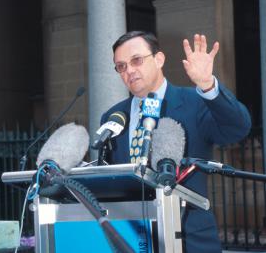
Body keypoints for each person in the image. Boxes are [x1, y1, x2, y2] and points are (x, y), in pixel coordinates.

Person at [100, 31, 251, 253]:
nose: (129, 70)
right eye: (121, 66)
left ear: (159, 59)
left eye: (136, 60)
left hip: (189, 238)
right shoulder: (113, 117)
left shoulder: (194, 102)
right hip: (132, 237)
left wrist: (208, 86)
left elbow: (238, 128)